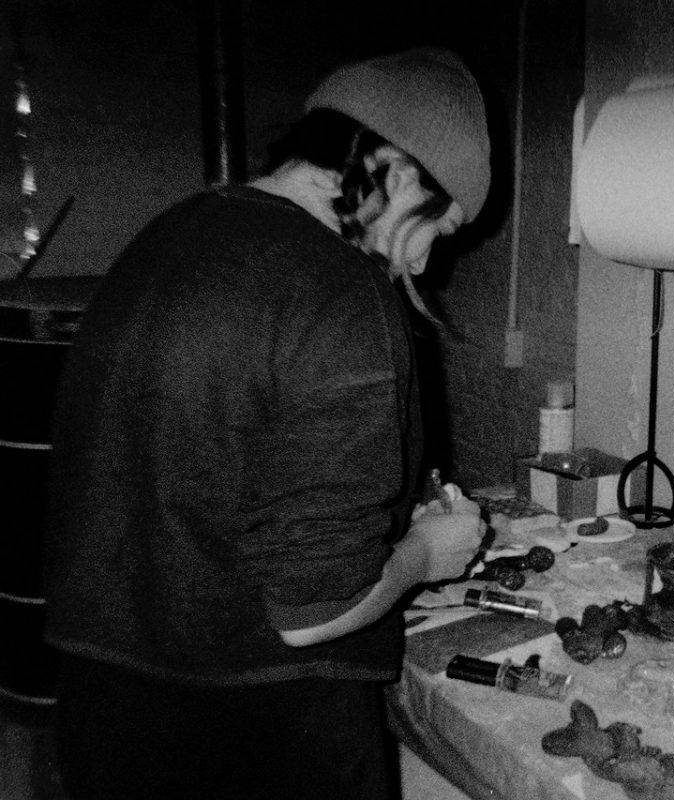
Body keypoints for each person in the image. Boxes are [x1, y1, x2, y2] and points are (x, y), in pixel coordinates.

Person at [42, 47, 492, 800]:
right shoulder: (339, 289)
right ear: (401, 174)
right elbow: (315, 612)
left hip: (105, 711)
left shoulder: (168, 234)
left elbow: (194, 468)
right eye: (437, 231)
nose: (421, 264)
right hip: (260, 730)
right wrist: (425, 551)